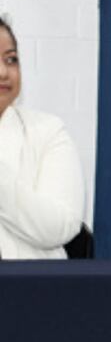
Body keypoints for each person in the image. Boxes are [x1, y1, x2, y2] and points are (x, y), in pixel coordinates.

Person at [0, 16, 85, 259]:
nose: (3, 72)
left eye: (11, 60)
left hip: (28, 286)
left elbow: (61, 226)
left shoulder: (48, 131)